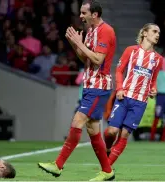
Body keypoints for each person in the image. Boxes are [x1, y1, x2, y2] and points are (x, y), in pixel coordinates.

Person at [38, 0, 116, 180]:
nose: (80, 16)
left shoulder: (106, 31)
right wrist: (75, 43)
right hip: (89, 85)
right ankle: (107, 171)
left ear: (94, 14)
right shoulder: (91, 32)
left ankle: (57, 165)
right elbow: (86, 60)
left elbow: (97, 59)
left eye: (83, 13)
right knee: (93, 130)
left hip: (99, 86)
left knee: (78, 120)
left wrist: (79, 44)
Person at [104, 23, 163, 166]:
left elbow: (153, 79)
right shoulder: (131, 50)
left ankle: (106, 169)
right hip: (124, 97)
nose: (157, 35)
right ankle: (107, 148)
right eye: (154, 31)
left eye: (159, 33)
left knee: (124, 135)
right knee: (111, 132)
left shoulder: (158, 59)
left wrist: (153, 89)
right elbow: (119, 71)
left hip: (140, 101)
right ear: (144, 33)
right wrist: (119, 88)